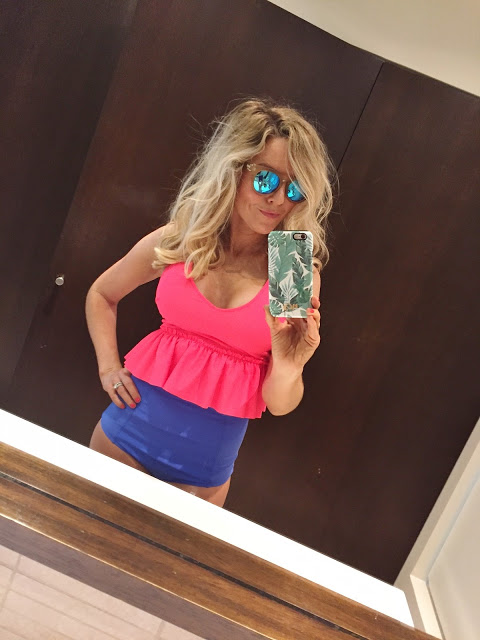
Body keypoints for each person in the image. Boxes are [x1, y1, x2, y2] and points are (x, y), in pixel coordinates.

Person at [86, 98, 334, 507]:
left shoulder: (291, 266)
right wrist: (109, 368)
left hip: (202, 478)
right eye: (266, 179)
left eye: (295, 189)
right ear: (234, 169)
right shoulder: (186, 237)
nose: (278, 200)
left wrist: (290, 367)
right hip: (121, 442)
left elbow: (279, 405)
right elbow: (102, 294)